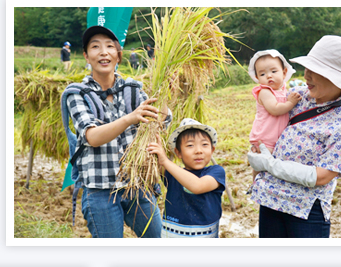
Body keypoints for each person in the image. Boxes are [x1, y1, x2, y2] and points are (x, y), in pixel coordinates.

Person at [247, 35, 341, 238]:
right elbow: (267, 120)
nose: (306, 75)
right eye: (307, 67)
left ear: (335, 78)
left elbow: (322, 176)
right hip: (270, 199)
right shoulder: (298, 97)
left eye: (315, 70)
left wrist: (270, 164)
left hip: (305, 211)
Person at [66, 25, 172, 238]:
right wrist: (130, 118)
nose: (103, 52)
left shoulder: (133, 89)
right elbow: (92, 136)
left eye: (109, 47)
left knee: (158, 241)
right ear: (86, 56)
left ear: (118, 55)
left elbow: (162, 120)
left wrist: (166, 89)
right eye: (95, 47)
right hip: (100, 190)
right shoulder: (77, 93)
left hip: (136, 185)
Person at [147, 118, 225, 238]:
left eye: (204, 145)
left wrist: (165, 161)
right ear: (178, 152)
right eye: (190, 145)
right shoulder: (173, 173)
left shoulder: (216, 172)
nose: (198, 151)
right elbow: (156, 162)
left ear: (212, 149)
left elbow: (197, 186)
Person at [247, 50, 301, 181]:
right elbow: (275, 109)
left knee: (273, 165)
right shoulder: (265, 92)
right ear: (257, 78)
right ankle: (256, 183)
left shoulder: (284, 91)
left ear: (284, 73)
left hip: (277, 137)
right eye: (263, 74)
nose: (269, 76)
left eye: (273, 71)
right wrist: (291, 102)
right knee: (263, 163)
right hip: (266, 136)